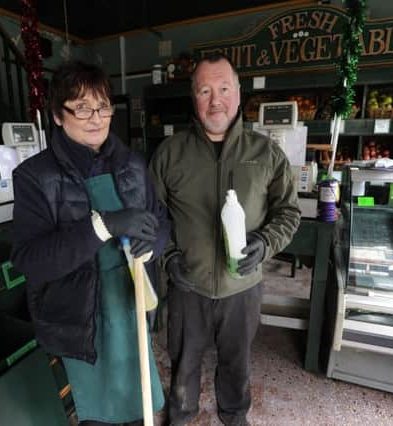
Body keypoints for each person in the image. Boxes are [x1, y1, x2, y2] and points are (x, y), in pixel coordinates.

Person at [11, 60, 168, 426]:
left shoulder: (131, 164)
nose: (96, 118)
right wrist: (105, 225)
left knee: (139, 406)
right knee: (97, 416)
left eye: (102, 106)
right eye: (82, 107)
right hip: (78, 319)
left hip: (129, 307)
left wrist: (154, 243)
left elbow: (160, 218)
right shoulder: (35, 177)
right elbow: (30, 260)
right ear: (58, 115)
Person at [149, 54, 301, 426]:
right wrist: (168, 256)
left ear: (238, 93)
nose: (215, 99)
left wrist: (265, 243)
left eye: (223, 88)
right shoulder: (170, 154)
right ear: (194, 98)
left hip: (243, 287)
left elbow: (289, 212)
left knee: (237, 362)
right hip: (188, 285)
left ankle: (234, 417)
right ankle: (181, 415)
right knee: (183, 360)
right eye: (204, 90)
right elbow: (151, 214)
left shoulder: (266, 153)